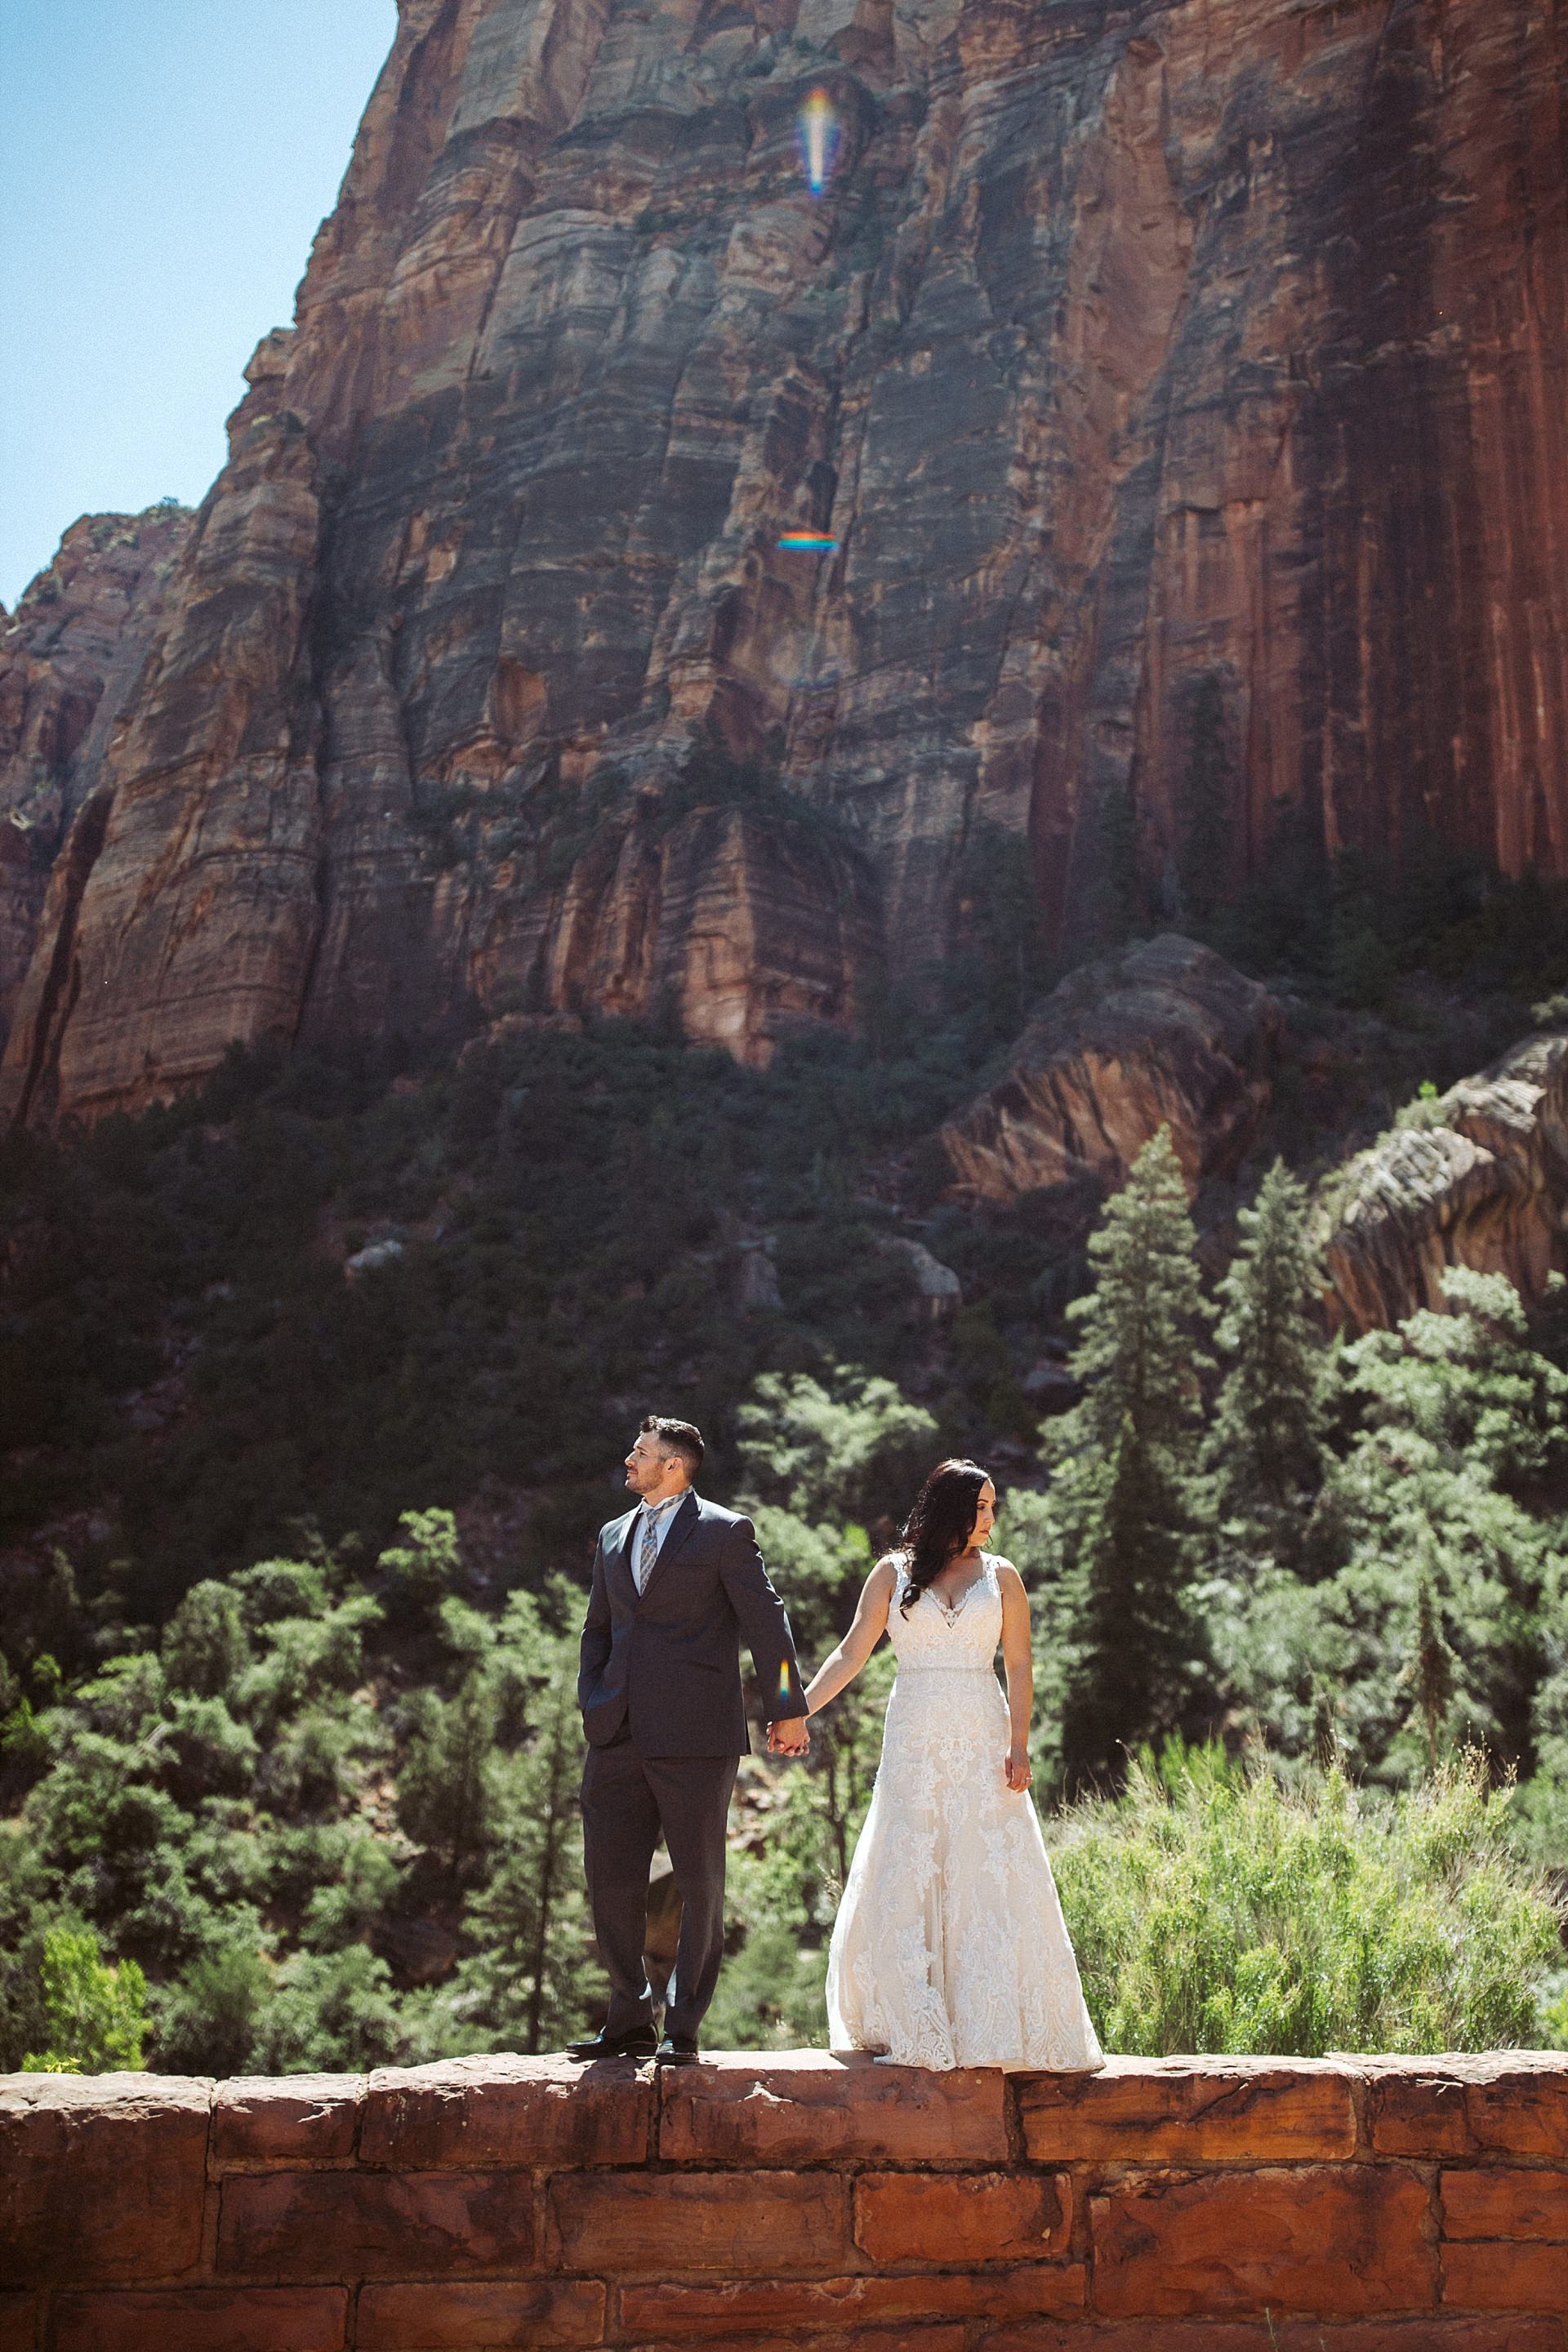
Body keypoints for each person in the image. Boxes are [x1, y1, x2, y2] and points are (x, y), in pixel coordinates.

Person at [800, 1457, 1104, 2072]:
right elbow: (851, 1651)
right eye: (983, 1505)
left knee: (983, 1862)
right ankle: (911, 2015)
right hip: (913, 1732)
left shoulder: (1004, 1577)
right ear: (951, 1507)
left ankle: (991, 2023)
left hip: (982, 1732)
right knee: (909, 1860)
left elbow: (1019, 1664)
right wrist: (797, 1711)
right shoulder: (891, 1572)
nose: (991, 1517)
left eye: (993, 1506)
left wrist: (1019, 1746)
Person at [568, 1414, 810, 2065]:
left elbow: (768, 1621)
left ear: (672, 1465)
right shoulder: (613, 1533)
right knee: (609, 1880)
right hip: (614, 1733)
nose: (629, 1459)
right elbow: (599, 1629)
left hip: (696, 1739)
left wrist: (788, 1706)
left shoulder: (725, 1532)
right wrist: (591, 1696)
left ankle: (683, 2026)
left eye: (640, 1453)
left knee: (701, 1884)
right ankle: (627, 2019)